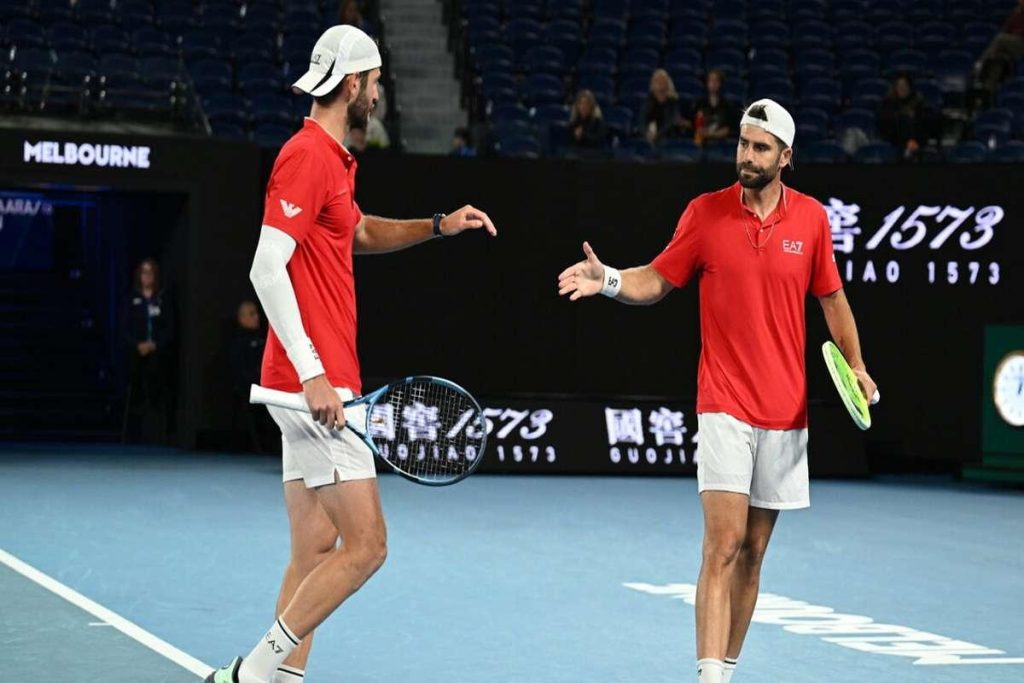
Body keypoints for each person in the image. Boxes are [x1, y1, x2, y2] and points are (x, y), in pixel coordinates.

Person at [205, 25, 497, 683]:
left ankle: (273, 682)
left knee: (313, 548)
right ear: (352, 85)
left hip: (308, 382)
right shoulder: (307, 155)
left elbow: (356, 231)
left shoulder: (334, 159)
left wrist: (439, 225)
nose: (380, 93)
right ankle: (249, 674)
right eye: (374, 82)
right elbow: (265, 266)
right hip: (314, 386)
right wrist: (313, 372)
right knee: (368, 547)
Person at [556, 99, 878, 683]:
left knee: (753, 554)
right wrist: (606, 279)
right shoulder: (704, 214)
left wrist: (856, 365)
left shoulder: (811, 221)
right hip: (724, 403)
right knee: (722, 545)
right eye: (742, 144)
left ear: (786, 156)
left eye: (760, 148)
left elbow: (832, 299)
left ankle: (725, 671)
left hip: (786, 413)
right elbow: (656, 279)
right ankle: (707, 677)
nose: (747, 156)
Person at [122, 257, 174, 444]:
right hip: (136, 352)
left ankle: (158, 434)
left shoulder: (162, 298)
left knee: (157, 381)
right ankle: (134, 435)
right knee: (135, 383)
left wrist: (155, 344)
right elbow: (125, 328)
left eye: (150, 272)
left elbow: (170, 328)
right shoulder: (132, 299)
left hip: (158, 353)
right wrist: (138, 345)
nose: (147, 276)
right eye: (144, 272)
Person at [228, 300, 276, 453]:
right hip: (249, 390)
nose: (256, 317)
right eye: (251, 314)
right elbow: (239, 372)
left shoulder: (265, 338)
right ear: (241, 318)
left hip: (269, 389)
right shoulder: (237, 343)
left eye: (257, 313)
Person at [878, 73, 934, 160]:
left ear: (910, 87)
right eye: (899, 86)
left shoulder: (919, 102)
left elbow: (925, 125)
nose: (902, 89)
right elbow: (884, 126)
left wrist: (916, 141)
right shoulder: (888, 103)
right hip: (893, 141)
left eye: (904, 85)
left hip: (915, 141)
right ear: (895, 88)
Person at [979, 0, 1024, 92]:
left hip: (1022, 44)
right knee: (999, 58)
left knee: (1000, 39)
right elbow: (1005, 29)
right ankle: (990, 91)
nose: (1020, 2)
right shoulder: (1016, 13)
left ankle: (982, 62)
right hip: (1011, 44)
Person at [692, 69, 738, 145]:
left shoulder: (727, 105)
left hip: (722, 143)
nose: (713, 83)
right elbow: (695, 125)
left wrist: (712, 134)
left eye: (716, 81)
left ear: (720, 84)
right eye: (711, 80)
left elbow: (728, 128)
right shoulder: (699, 103)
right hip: (702, 142)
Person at [644, 68, 689, 143]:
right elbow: (642, 120)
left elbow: (671, 121)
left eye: (661, 82)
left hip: (668, 138)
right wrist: (646, 133)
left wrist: (657, 135)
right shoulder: (649, 100)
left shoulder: (673, 101)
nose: (659, 86)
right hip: (650, 138)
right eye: (657, 82)